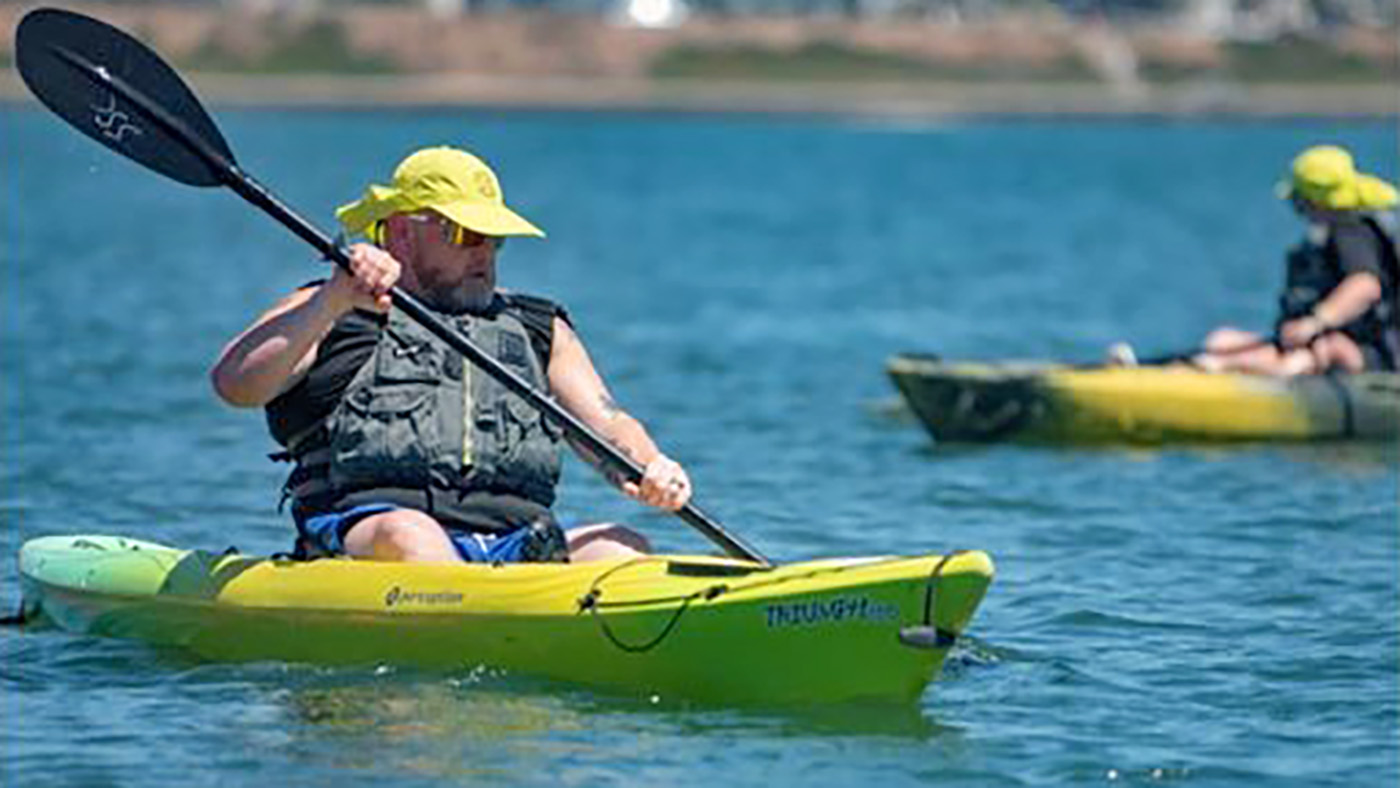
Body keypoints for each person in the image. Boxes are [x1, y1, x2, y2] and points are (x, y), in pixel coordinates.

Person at [211, 146, 693, 564]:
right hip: (367, 532)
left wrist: (653, 465)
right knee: (413, 536)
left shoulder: (539, 329)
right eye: (464, 235)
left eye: (494, 236)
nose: (484, 253)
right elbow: (235, 384)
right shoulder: (332, 305)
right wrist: (333, 299)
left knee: (622, 545)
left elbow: (608, 425)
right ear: (402, 233)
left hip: (513, 543)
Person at [1107, 144, 1398, 376]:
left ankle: (1210, 373)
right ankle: (1170, 373)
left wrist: (1314, 323)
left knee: (1311, 354)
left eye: (1298, 201)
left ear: (1315, 201)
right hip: (1308, 344)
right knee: (1222, 340)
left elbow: (1365, 285)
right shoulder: (1332, 232)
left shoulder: (1352, 232)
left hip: (1366, 355)